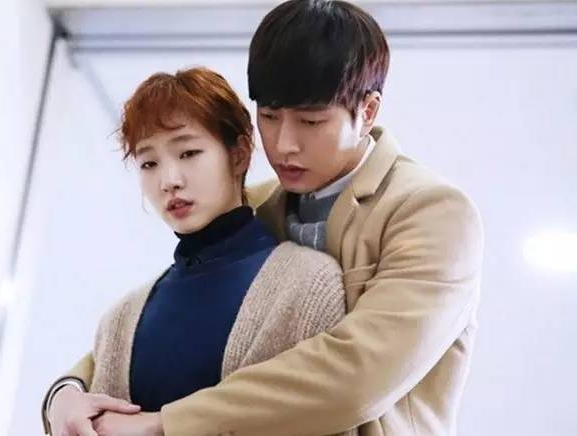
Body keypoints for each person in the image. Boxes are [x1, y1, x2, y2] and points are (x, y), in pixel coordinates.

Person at [43, 1, 483, 435]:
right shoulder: (256, 202)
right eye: (269, 117)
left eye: (311, 122)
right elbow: (156, 323)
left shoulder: (433, 213)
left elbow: (360, 373)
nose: (284, 144)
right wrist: (67, 391)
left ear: (367, 111)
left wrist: (165, 423)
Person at [41, 66, 349, 436]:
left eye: (188, 152)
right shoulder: (120, 320)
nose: (169, 181)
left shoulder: (309, 285)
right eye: (149, 163)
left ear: (239, 154)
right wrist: (61, 396)